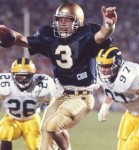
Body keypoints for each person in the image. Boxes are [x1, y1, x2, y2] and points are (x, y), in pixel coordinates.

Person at [0, 2, 117, 150]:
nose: (62, 23)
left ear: (77, 21)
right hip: (61, 95)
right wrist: (7, 34)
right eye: (60, 19)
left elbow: (101, 35)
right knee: (45, 137)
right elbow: (23, 40)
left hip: (81, 96)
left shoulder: (86, 35)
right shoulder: (49, 37)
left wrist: (109, 24)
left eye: (67, 20)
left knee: (52, 126)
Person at [0, 57, 63, 150]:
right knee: (5, 131)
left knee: (35, 146)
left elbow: (53, 106)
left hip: (31, 119)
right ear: (12, 75)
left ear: (33, 75)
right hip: (11, 118)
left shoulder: (44, 83)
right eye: (19, 76)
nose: (23, 79)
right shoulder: (3, 82)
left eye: (27, 76)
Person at [96, 45, 139, 150]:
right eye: (101, 65)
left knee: (133, 146)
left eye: (107, 66)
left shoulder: (131, 77)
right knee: (122, 142)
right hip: (131, 114)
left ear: (116, 64)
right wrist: (105, 106)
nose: (103, 69)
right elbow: (112, 88)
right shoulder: (108, 76)